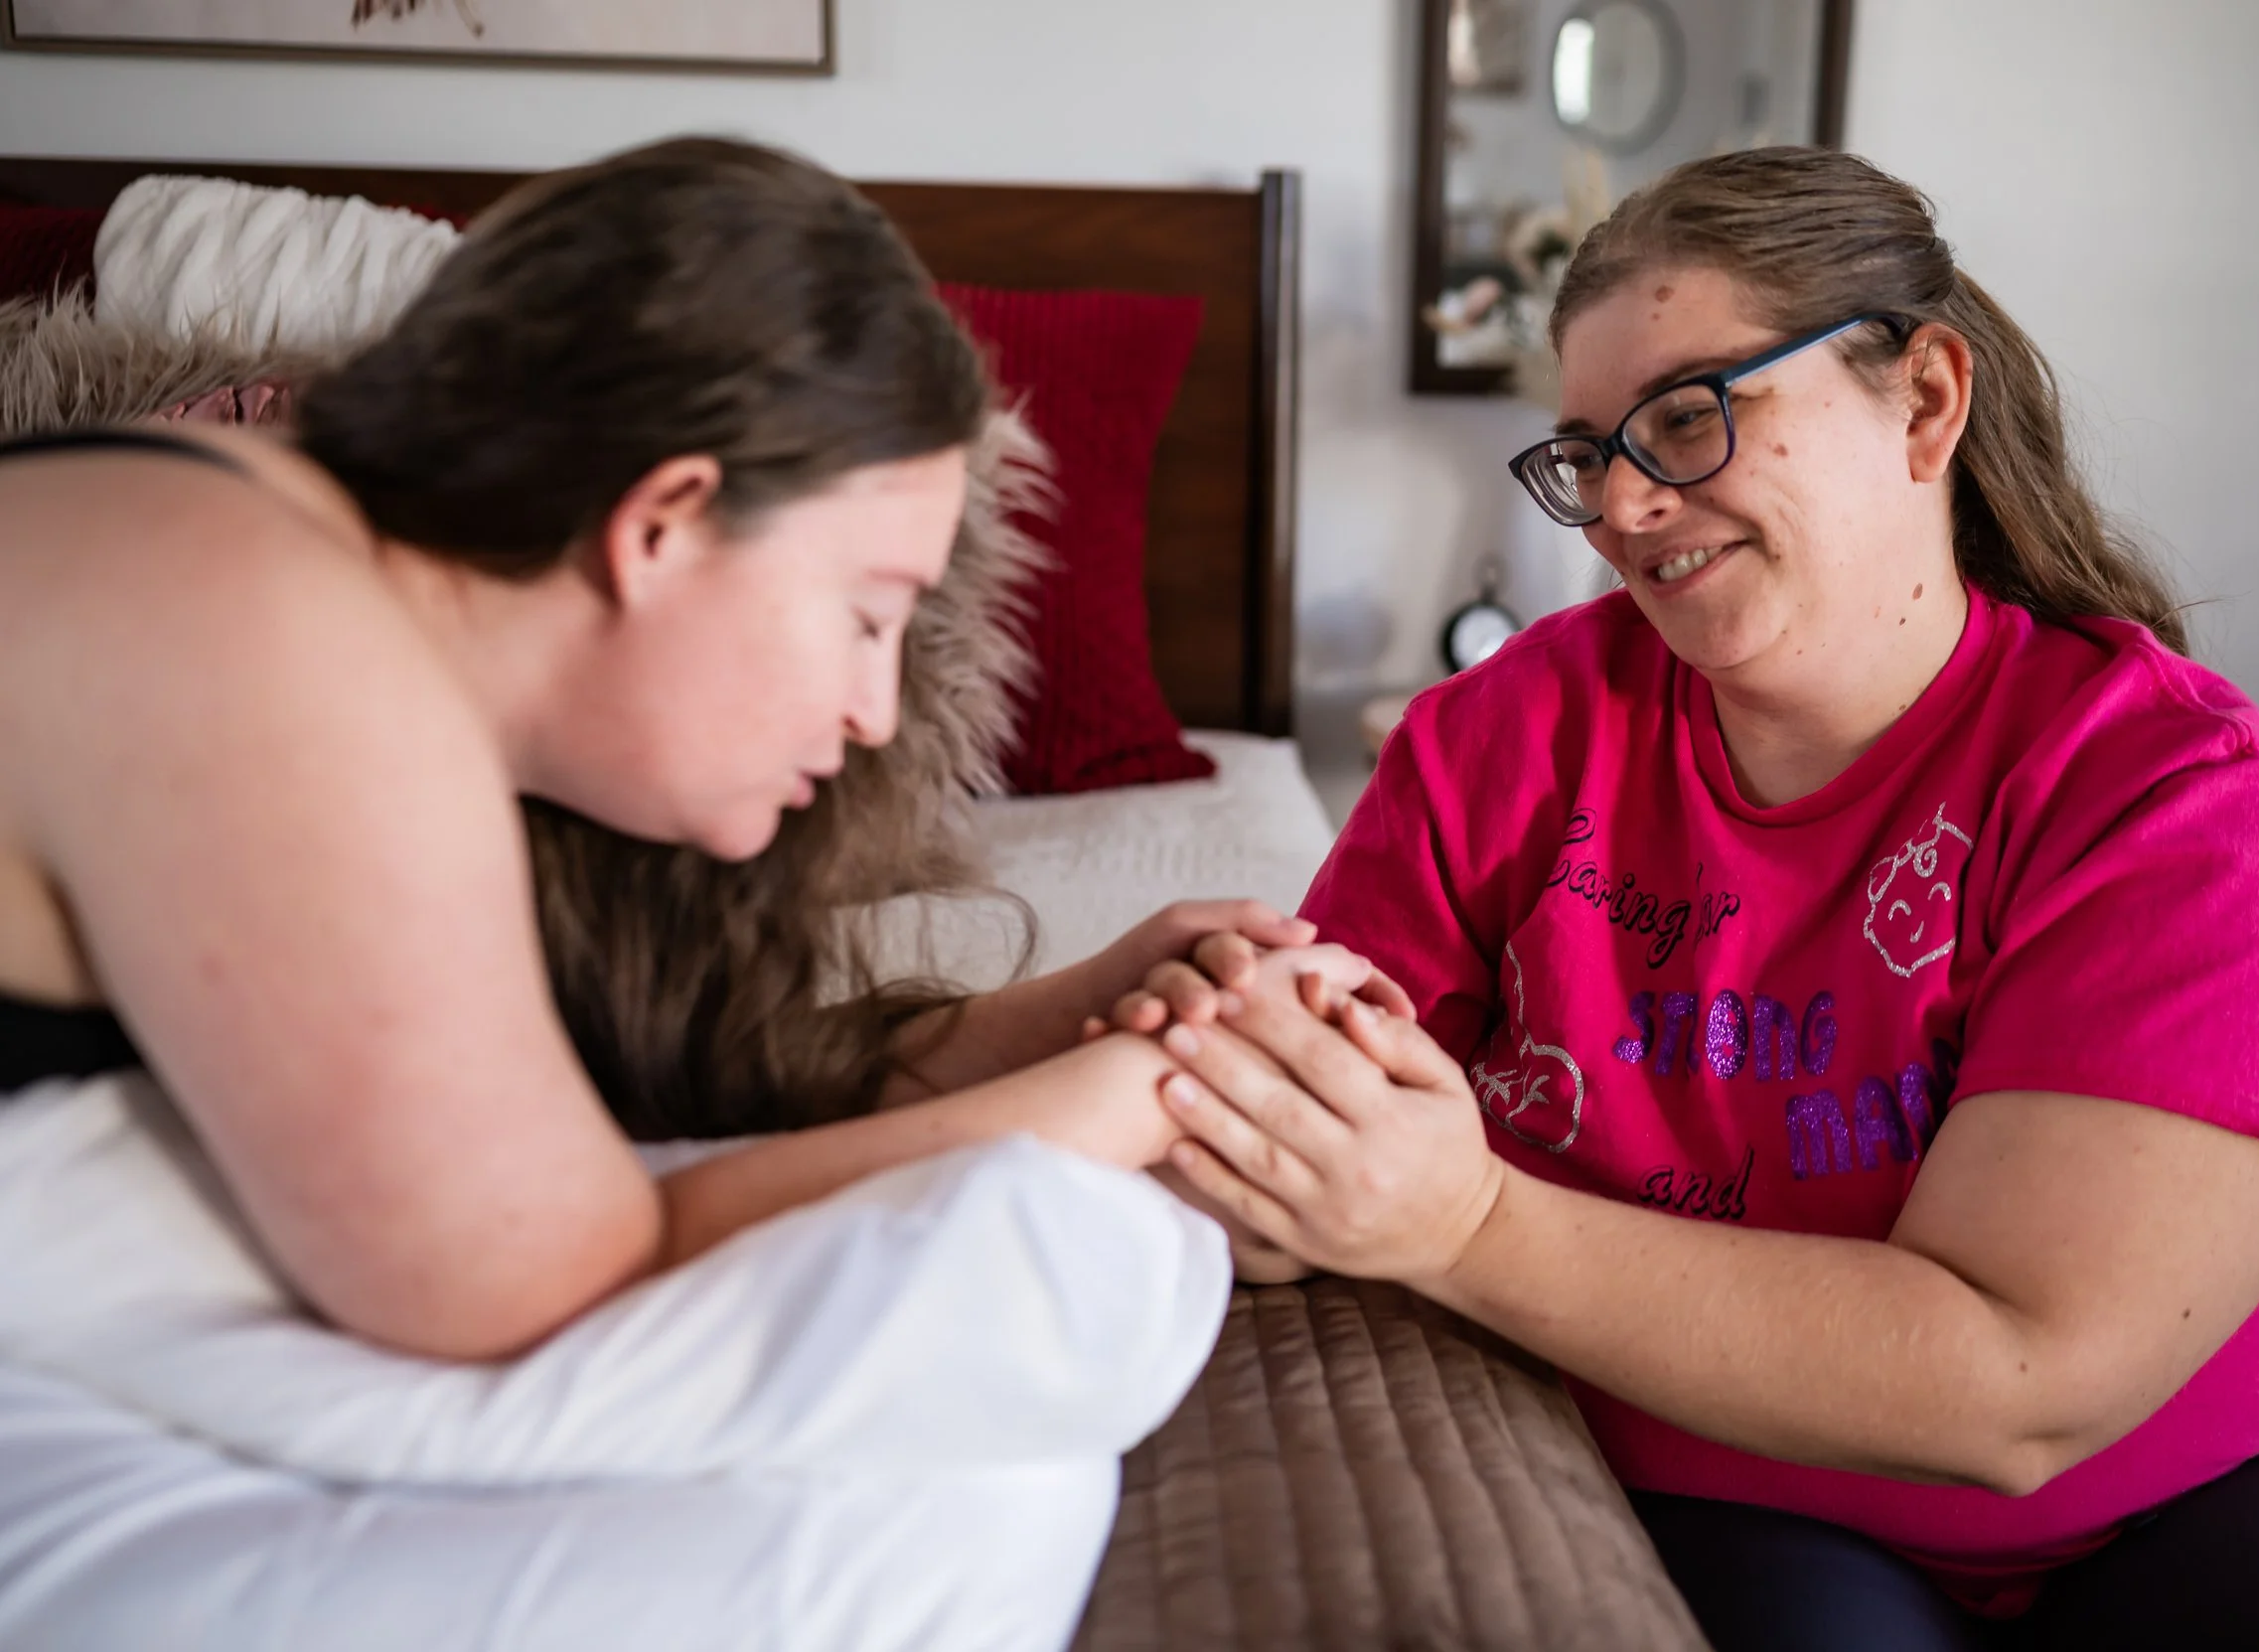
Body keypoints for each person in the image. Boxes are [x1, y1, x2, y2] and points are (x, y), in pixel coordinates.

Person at [1113, 147, 2259, 1649]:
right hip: (1748, 1488)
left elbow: (2023, 1379)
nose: (1624, 504)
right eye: (1585, 453)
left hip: (2212, 1477)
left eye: (1692, 417)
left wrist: (1464, 1219)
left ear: (1926, 403)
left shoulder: (2176, 796)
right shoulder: (1491, 742)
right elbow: (1279, 1122)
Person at [0, 135, 1385, 1364]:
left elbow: (629, 1087)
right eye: (866, 615)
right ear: (661, 521)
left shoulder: (306, 567)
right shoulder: (289, 654)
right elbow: (550, 1275)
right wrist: (1148, 1091)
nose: (879, 714)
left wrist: (1060, 1017)